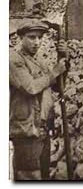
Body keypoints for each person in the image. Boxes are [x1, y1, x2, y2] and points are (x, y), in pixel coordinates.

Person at [10, 20, 67, 180]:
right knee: (29, 176)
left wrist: (64, 61)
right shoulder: (13, 59)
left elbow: (57, 86)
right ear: (20, 37)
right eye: (32, 37)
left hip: (42, 129)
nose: (37, 42)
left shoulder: (38, 61)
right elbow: (30, 87)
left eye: (40, 37)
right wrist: (54, 72)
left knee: (43, 176)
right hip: (26, 130)